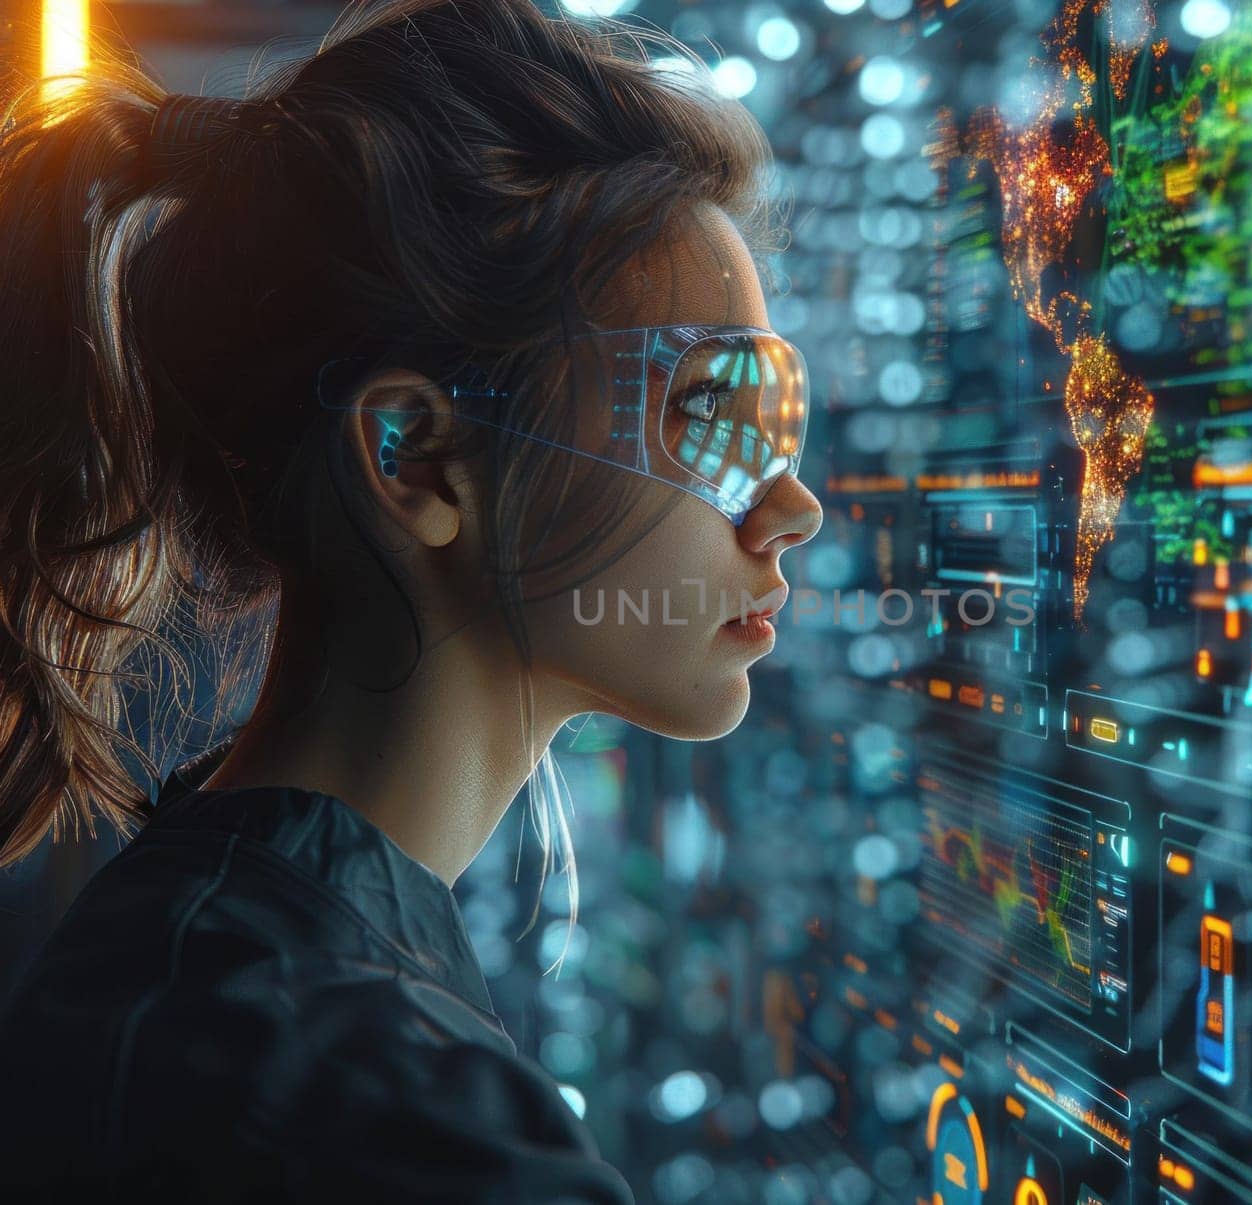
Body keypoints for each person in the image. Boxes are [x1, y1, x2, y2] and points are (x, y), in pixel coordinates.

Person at [0, 0, 822, 1198]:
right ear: (416, 458)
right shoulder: (374, 1112)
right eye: (706, 410)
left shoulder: (220, 956)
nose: (789, 503)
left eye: (775, 412)